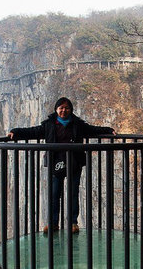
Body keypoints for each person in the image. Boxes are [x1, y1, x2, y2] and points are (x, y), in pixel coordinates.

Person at [7, 97, 115, 234]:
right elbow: (32, 131)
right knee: (54, 194)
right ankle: (53, 223)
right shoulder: (49, 125)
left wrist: (109, 130)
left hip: (74, 163)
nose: (63, 110)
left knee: (73, 193)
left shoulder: (78, 124)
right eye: (61, 108)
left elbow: (93, 130)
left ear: (71, 110)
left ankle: (73, 223)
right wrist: (15, 131)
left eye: (66, 108)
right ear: (56, 109)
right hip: (55, 163)